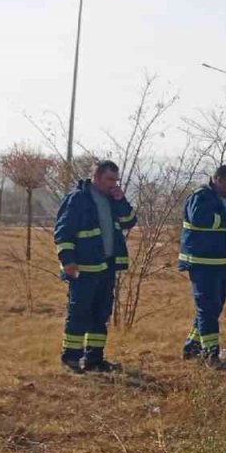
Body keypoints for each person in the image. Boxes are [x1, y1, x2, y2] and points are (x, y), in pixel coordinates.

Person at [53, 160, 136, 374]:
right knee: (79, 312)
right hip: (83, 268)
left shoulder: (112, 199)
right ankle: (71, 357)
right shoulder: (78, 199)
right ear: (96, 177)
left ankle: (94, 359)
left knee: (101, 313)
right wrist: (67, 260)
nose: (112, 184)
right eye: (109, 179)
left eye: (115, 180)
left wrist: (120, 199)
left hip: (106, 267)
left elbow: (129, 221)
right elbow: (63, 232)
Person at [178, 164, 226, 366]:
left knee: (213, 308)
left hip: (223, 263)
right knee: (207, 309)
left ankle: (192, 345)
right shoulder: (201, 196)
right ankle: (210, 355)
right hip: (203, 263)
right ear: (218, 179)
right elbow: (200, 219)